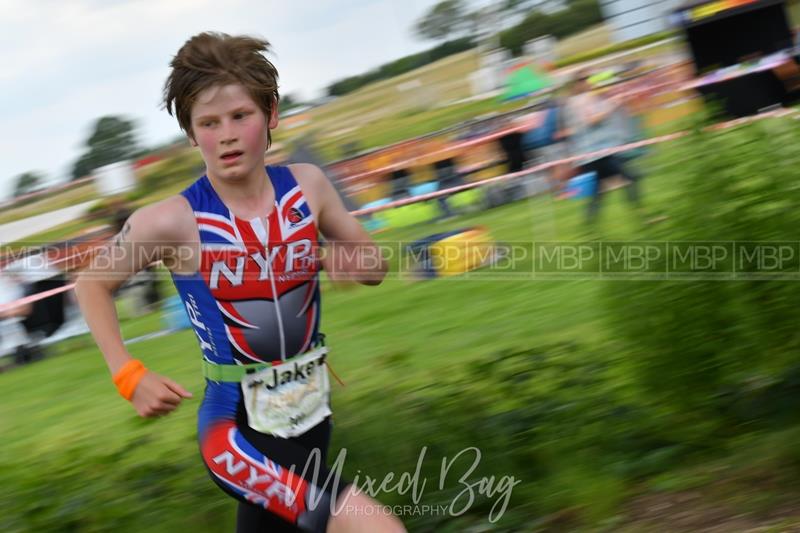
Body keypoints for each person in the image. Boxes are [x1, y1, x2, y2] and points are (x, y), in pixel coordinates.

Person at [75, 32, 402, 533]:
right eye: (208, 123)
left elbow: (375, 266)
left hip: (311, 417)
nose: (226, 134)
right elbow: (91, 285)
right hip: (234, 435)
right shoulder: (171, 221)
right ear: (190, 133)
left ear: (270, 114)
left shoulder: (308, 186)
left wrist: (352, 258)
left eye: (240, 116)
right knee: (376, 528)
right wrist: (128, 375)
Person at [563, 71, 643, 224]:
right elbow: (592, 120)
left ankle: (589, 227)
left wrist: (612, 101)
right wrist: (613, 104)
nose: (590, 82)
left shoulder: (580, 99)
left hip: (594, 153)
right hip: (595, 154)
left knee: (599, 193)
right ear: (578, 84)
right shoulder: (580, 101)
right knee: (632, 178)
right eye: (585, 79)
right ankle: (640, 215)